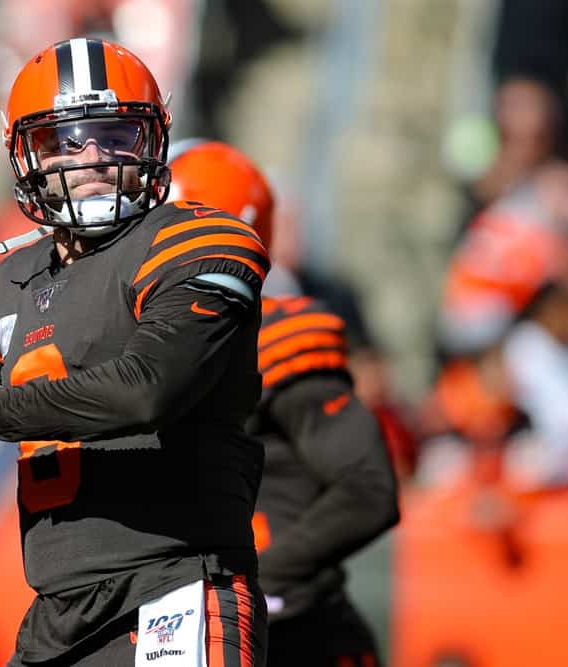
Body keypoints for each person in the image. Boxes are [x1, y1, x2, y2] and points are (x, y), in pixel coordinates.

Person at [0, 39, 270, 666]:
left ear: (152, 142)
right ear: (23, 154)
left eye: (115, 135)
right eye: (67, 140)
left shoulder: (197, 240)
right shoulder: (16, 280)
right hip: (56, 616)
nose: (92, 157)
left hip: (174, 586)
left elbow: (150, 388)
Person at [169, 139, 400, 666]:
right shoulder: (156, 344)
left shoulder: (274, 336)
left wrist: (259, 578)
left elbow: (368, 488)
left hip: (293, 634)